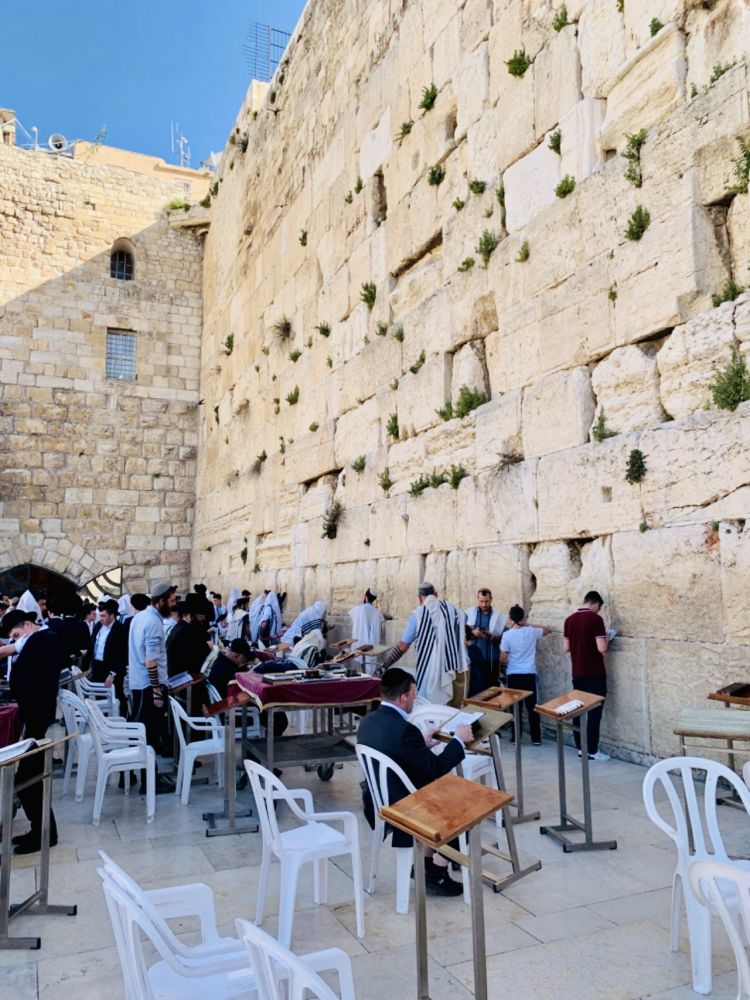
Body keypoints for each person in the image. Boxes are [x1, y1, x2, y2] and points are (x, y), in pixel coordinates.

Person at [357, 667, 473, 896]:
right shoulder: (404, 730)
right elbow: (436, 769)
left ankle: (426, 864)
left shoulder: (368, 721)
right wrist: (458, 741)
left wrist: (421, 743)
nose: (414, 699)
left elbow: (395, 749)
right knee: (465, 804)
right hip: (405, 805)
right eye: (413, 694)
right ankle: (437, 871)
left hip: (379, 799)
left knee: (448, 794)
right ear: (403, 698)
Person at [0, 609, 66, 854]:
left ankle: (44, 834)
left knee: (28, 779)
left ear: (28, 624)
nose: (16, 641)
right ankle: (42, 830)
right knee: (29, 779)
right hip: (34, 718)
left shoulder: (44, 639)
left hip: (38, 719)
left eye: (17, 635)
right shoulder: (39, 639)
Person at [380, 583, 468, 704]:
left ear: (419, 598)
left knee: (431, 709)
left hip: (430, 673)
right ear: (436, 595)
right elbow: (465, 620)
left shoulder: (418, 615)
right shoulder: (453, 610)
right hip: (455, 669)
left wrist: (384, 666)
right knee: (454, 710)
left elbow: (402, 647)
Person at [128, 581, 177, 792]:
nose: (173, 605)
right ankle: (149, 782)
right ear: (160, 601)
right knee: (148, 733)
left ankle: (150, 776)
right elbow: (151, 661)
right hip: (149, 687)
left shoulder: (140, 617)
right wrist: (157, 690)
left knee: (146, 732)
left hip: (139, 684)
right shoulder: (154, 623)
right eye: (171, 601)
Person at [563, 591, 612, 762]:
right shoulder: (596, 620)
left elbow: (566, 648)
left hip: (577, 673)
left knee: (578, 710)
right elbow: (602, 648)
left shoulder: (569, 620)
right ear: (596, 604)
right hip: (594, 673)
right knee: (594, 713)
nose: (598, 611)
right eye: (599, 607)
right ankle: (592, 750)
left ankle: (580, 748)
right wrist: (608, 638)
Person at [499, 605, 550, 745]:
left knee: (516, 708)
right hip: (529, 673)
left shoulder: (507, 635)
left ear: (510, 618)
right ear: (523, 618)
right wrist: (527, 624)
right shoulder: (532, 631)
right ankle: (536, 738)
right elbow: (547, 630)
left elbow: (503, 658)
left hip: (514, 674)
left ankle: (516, 737)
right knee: (532, 707)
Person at [87, 598, 129, 714]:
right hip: (98, 666)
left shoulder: (120, 629)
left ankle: (123, 718)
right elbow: (93, 645)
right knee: (99, 696)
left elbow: (121, 654)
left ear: (112, 615)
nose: (101, 618)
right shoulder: (98, 626)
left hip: (113, 668)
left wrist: (112, 674)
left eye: (103, 616)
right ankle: (103, 719)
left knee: (117, 695)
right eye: (100, 616)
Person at [465, 588, 506, 690]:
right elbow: (463, 632)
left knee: (492, 689)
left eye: (486, 601)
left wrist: (491, 636)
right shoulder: (469, 613)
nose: (484, 604)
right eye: (481, 601)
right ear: (477, 599)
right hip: (474, 660)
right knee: (476, 689)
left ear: (491, 599)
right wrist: (472, 632)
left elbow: (504, 639)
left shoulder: (499, 616)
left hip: (492, 660)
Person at [348, 589, 384, 674]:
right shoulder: (377, 612)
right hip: (371, 644)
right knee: (369, 668)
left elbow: (352, 621)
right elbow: (381, 625)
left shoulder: (357, 609)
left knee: (359, 669)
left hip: (359, 642)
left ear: (366, 597)